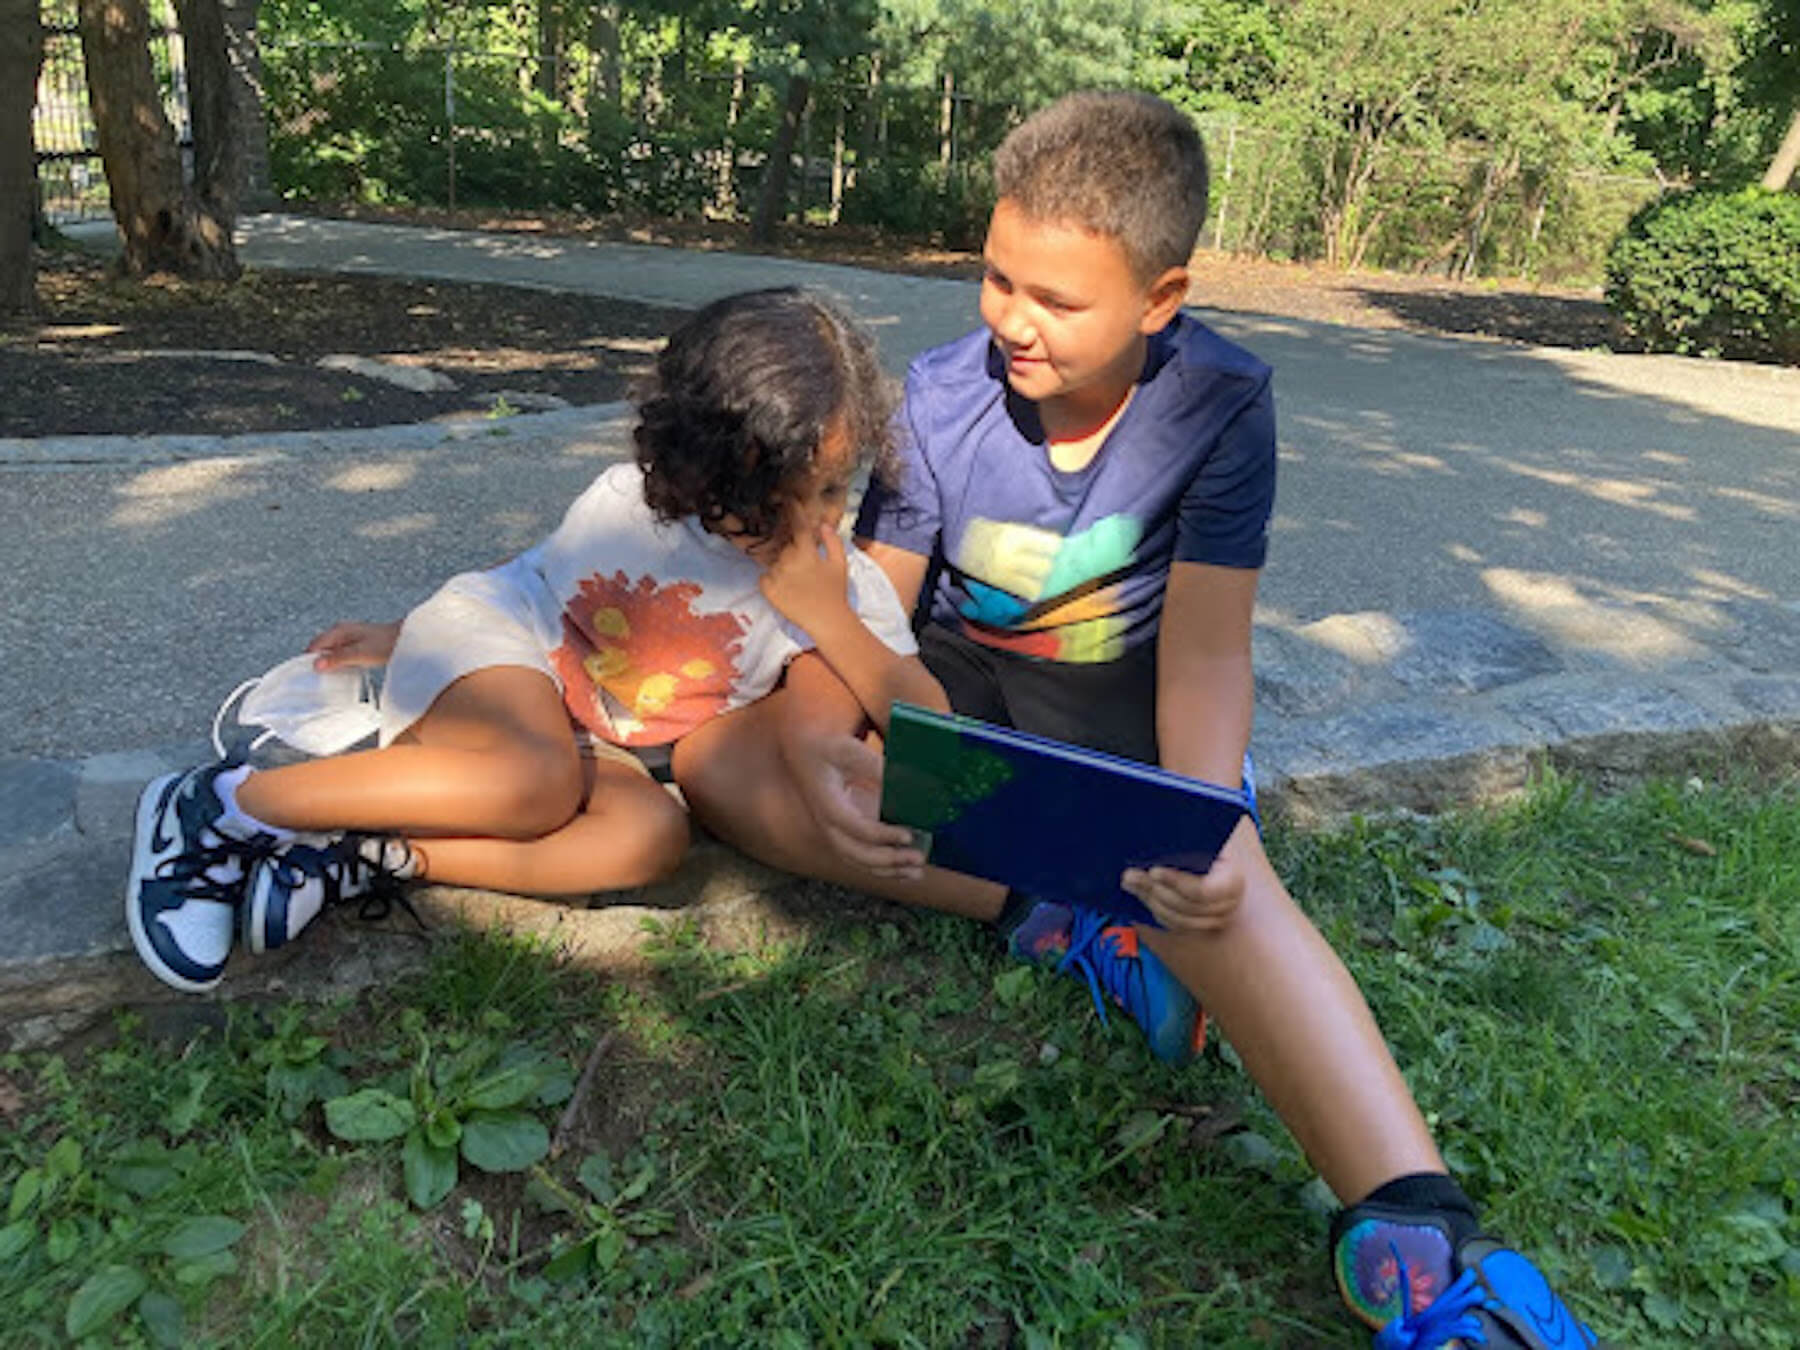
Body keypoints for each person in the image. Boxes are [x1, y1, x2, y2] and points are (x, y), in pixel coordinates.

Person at [669, 93, 1608, 1348]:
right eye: (997, 279)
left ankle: (1424, 1233)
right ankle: (1066, 928)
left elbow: (1211, 652)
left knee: (1218, 885)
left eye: (1057, 300)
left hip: (1129, 727)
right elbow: (868, 625)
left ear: (1161, 298)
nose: (1013, 321)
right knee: (717, 766)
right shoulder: (941, 399)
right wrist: (819, 746)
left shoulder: (1220, 405)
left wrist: (1208, 809)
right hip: (958, 710)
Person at [124, 288, 946, 997]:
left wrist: (828, 615)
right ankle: (218, 805)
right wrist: (404, 635)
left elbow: (928, 721)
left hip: (605, 749)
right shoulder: (633, 507)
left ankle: (366, 856)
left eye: (833, 489)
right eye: (768, 501)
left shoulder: (838, 580)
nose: (811, 522)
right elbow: (527, 582)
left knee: (653, 840)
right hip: (501, 658)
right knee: (538, 778)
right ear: (701, 471)